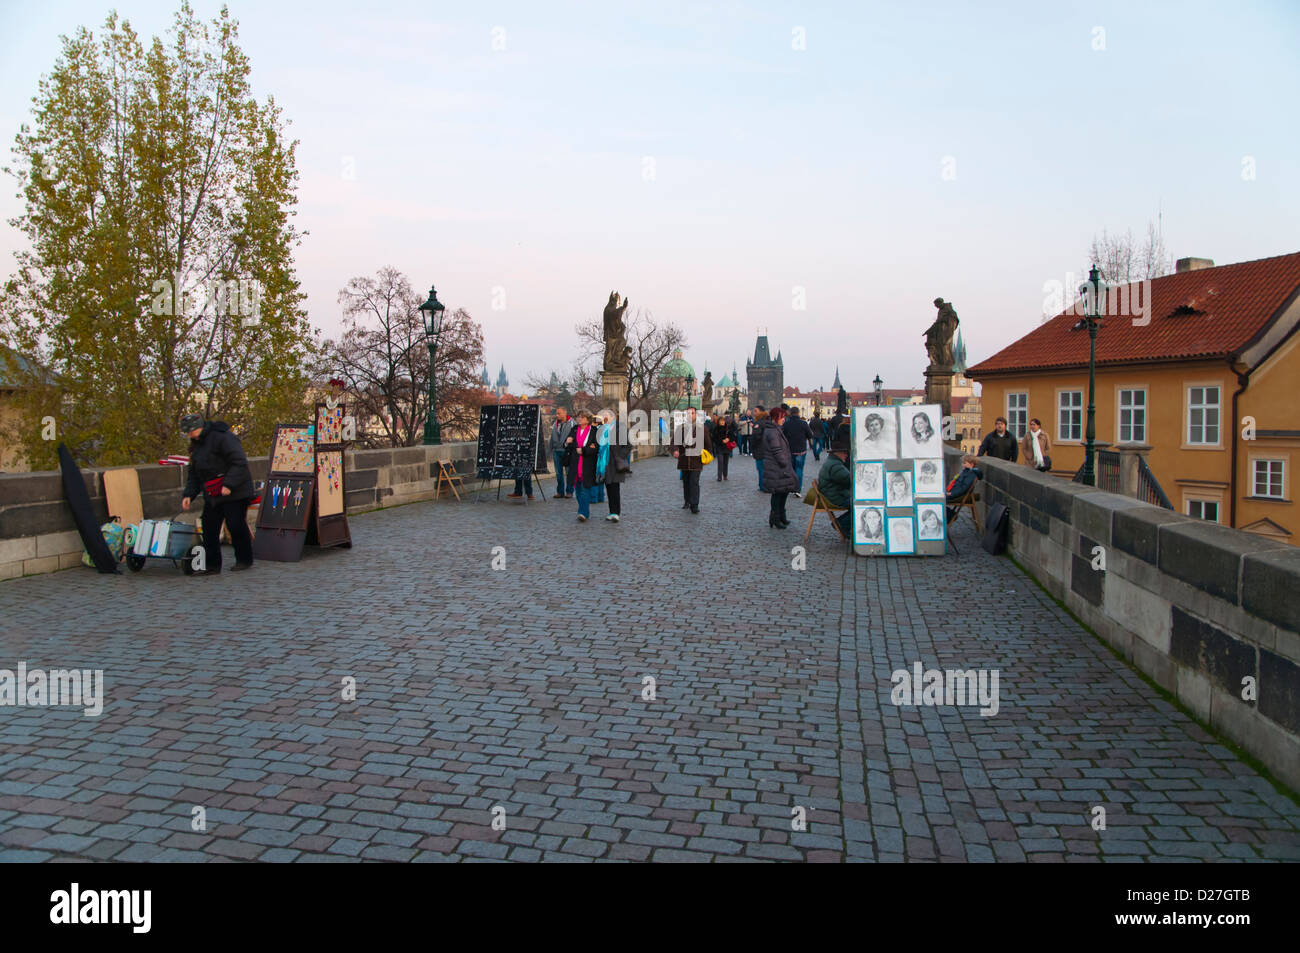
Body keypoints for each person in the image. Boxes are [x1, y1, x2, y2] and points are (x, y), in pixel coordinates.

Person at [180, 413, 254, 574]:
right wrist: (188, 495)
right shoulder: (195, 446)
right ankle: (212, 565)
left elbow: (239, 462)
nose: (189, 435)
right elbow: (194, 472)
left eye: (190, 431)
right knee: (209, 527)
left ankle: (244, 559)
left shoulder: (223, 438)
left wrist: (229, 484)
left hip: (235, 491)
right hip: (213, 492)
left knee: (235, 524)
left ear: (198, 428)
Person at [758, 406, 797, 527]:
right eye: (782, 417)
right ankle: (775, 518)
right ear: (776, 418)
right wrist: (784, 462)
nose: (784, 419)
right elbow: (776, 450)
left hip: (780, 466)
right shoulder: (772, 431)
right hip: (776, 466)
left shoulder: (776, 429)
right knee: (778, 493)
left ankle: (781, 516)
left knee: (783, 491)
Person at [671, 407, 712, 514]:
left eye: (692, 413)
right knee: (686, 482)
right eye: (688, 413)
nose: (690, 415)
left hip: (696, 460)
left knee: (694, 482)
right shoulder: (681, 428)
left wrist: (705, 455)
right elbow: (674, 442)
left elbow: (708, 445)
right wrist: (675, 450)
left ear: (696, 415)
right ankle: (687, 501)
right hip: (684, 460)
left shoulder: (702, 428)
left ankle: (694, 505)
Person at [815, 429, 852, 538]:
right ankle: (841, 524)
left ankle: (843, 524)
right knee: (860, 505)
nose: (846, 455)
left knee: (858, 503)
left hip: (833, 494)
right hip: (835, 497)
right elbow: (849, 480)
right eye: (845, 453)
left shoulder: (834, 462)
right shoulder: (836, 466)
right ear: (838, 453)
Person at [597, 409, 632, 521]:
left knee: (615, 487)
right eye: (602, 416)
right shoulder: (601, 429)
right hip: (605, 462)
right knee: (608, 487)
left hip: (615, 462)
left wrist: (620, 456)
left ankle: (616, 512)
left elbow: (628, 445)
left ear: (611, 417)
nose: (603, 418)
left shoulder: (620, 428)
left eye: (605, 416)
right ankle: (611, 511)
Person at [782, 406, 814, 497]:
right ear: (798, 413)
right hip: (801, 450)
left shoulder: (786, 424)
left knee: (791, 470)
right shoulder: (803, 423)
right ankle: (798, 489)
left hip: (789, 451)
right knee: (799, 470)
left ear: (790, 413)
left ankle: (791, 487)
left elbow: (782, 436)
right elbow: (810, 435)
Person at [945, 455, 984, 522]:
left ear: (971, 464)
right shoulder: (966, 471)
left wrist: (951, 493)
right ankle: (949, 515)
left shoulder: (971, 474)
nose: (963, 464)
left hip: (956, 494)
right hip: (953, 492)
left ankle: (950, 516)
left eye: (965, 463)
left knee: (940, 500)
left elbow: (963, 489)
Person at [548, 407, 576, 498]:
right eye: (556, 413)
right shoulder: (555, 424)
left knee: (568, 472)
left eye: (559, 413)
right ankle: (560, 492)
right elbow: (552, 438)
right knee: (558, 473)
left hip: (567, 451)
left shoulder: (572, 423)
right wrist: (549, 450)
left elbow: (575, 437)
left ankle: (569, 491)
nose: (557, 415)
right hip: (557, 451)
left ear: (565, 412)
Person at [713, 413, 736, 481]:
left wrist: (728, 439)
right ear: (719, 422)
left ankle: (725, 475)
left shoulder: (728, 428)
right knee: (720, 462)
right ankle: (719, 476)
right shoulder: (716, 428)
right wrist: (722, 441)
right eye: (721, 421)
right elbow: (714, 438)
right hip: (719, 447)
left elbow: (733, 436)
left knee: (726, 462)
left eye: (723, 421)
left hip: (727, 447)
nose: (722, 422)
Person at [751, 407, 768, 491]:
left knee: (761, 469)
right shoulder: (768, 421)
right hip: (768, 449)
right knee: (766, 469)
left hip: (760, 449)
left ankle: (763, 486)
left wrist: (752, 447)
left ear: (761, 412)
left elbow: (755, 437)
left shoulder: (758, 423)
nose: (754, 413)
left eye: (756, 411)